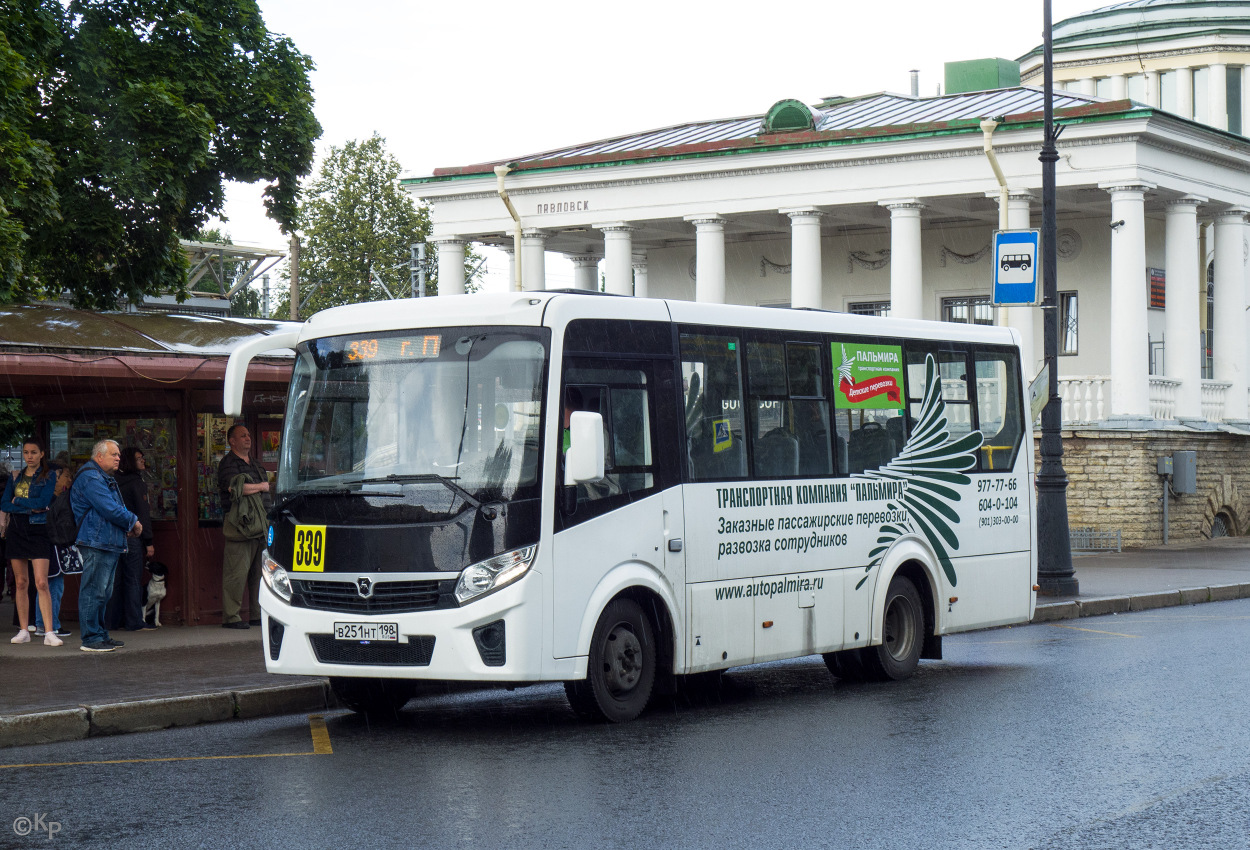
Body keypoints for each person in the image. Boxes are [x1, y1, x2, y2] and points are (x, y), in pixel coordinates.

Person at [72, 439, 141, 653]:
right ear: (99, 456)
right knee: (94, 591)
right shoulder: (91, 477)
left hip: (105, 541)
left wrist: (126, 524)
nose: (118, 457)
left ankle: (100, 634)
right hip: (97, 541)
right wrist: (133, 521)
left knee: (102, 592)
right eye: (114, 454)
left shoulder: (100, 476)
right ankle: (91, 638)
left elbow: (109, 509)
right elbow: (109, 508)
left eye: (119, 454)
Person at [3, 437, 62, 646]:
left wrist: (18, 501)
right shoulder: (15, 476)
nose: (29, 456)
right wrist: (27, 507)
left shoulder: (49, 476)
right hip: (17, 530)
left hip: (38, 530)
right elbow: (4, 504)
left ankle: (49, 631)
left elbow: (44, 502)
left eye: (34, 452)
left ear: (42, 454)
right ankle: (23, 630)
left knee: (41, 582)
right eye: (26, 452)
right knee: (20, 582)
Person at [217, 423, 270, 629]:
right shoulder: (228, 463)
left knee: (260, 575)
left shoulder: (256, 464)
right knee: (236, 575)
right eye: (243, 436)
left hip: (261, 526)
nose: (248, 438)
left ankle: (257, 615)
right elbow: (235, 488)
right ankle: (231, 617)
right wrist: (261, 487)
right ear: (232, 441)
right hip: (240, 527)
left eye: (249, 435)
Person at [106, 447, 154, 632]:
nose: (143, 461)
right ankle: (134, 621)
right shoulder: (136, 483)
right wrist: (148, 540)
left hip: (114, 535)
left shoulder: (113, 481)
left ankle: (112, 620)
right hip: (133, 535)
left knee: (115, 580)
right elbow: (143, 513)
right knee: (133, 579)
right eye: (139, 458)